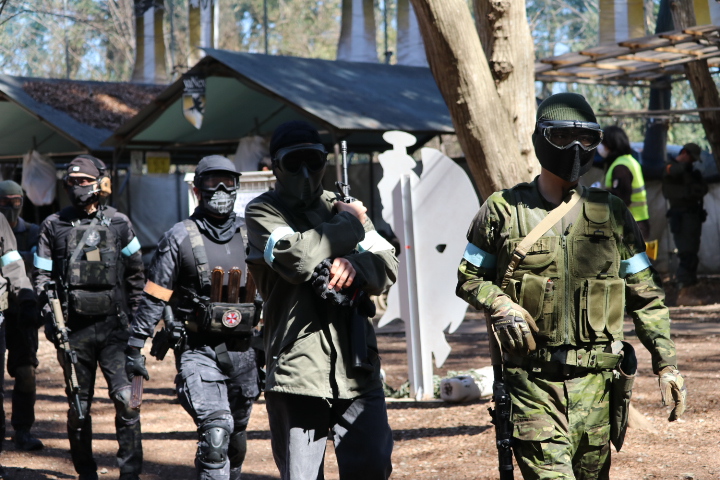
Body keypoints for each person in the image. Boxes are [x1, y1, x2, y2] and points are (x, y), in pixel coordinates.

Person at [456, 93, 686, 479]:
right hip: (533, 387)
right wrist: (500, 303)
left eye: (587, 139)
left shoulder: (612, 213)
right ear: (541, 140)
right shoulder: (503, 210)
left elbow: (646, 295)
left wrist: (667, 364)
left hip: (597, 390)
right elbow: (470, 277)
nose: (575, 148)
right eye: (562, 137)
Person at [244, 120, 398, 480]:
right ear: (275, 166)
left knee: (373, 468)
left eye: (312, 161)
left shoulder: (342, 206)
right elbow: (297, 259)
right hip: (298, 369)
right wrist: (351, 224)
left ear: (324, 162)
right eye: (293, 162)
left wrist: (355, 266)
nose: (304, 172)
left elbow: (387, 262)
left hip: (357, 366)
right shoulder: (263, 212)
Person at [126, 155, 259, 480]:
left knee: (236, 438)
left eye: (228, 182)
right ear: (197, 190)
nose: (221, 190)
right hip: (198, 351)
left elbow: (278, 290)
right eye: (213, 182)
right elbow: (155, 296)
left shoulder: (253, 233)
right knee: (215, 435)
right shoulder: (178, 237)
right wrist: (135, 346)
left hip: (246, 353)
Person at [33, 156, 144, 480]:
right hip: (73, 333)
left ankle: (130, 473)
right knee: (79, 409)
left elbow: (137, 275)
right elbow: (42, 277)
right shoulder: (53, 225)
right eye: (72, 182)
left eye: (83, 181)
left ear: (99, 183)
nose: (77, 187)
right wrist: (52, 319)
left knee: (129, 401)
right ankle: (86, 473)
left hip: (116, 331)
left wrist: (139, 326)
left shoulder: (120, 223)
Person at [0, 180, 44, 451]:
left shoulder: (33, 232)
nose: (10, 208)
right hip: (3, 309)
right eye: (4, 203)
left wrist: (32, 304)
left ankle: (22, 430)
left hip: (21, 311)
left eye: (15, 202)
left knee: (26, 371)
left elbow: (35, 269)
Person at [662, 143, 708, 293]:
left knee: (692, 251)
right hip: (681, 217)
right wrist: (684, 167)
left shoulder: (692, 172)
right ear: (684, 153)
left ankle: (690, 283)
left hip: (693, 217)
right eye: (691, 158)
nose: (692, 162)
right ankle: (683, 285)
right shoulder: (670, 166)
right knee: (686, 252)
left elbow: (702, 189)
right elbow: (672, 171)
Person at [598, 125, 651, 240]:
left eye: (603, 143)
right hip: (636, 223)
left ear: (611, 144)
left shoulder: (621, 167)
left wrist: (599, 193)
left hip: (629, 226)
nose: (600, 147)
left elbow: (622, 199)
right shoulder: (629, 160)